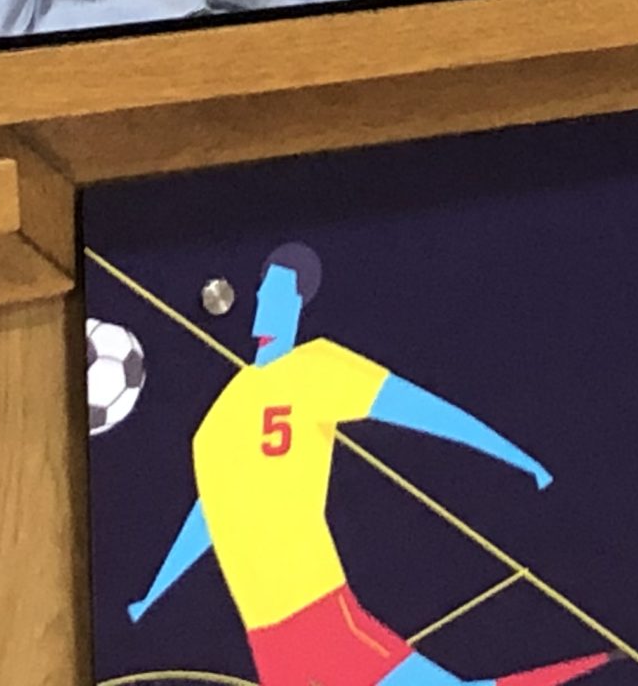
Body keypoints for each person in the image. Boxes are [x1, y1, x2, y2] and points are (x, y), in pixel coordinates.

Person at [127, 243, 607, 686]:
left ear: (297, 303)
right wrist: (154, 592)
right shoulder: (220, 417)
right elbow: (215, 509)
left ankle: (598, 666)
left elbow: (418, 409)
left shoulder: (314, 369)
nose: (266, 303)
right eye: (264, 292)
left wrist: (516, 457)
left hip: (316, 606)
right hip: (265, 634)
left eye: (278, 293)